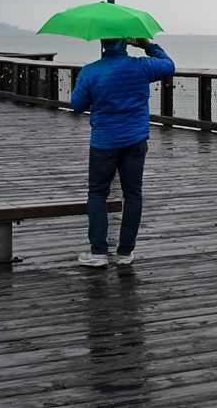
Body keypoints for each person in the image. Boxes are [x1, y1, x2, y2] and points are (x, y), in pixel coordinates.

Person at [71, 38, 175, 266]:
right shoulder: (142, 66)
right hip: (135, 139)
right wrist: (148, 45)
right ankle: (125, 252)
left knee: (98, 194)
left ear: (103, 43)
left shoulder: (90, 71)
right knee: (133, 194)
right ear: (125, 43)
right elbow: (169, 65)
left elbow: (77, 105)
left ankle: (98, 252)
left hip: (104, 141)